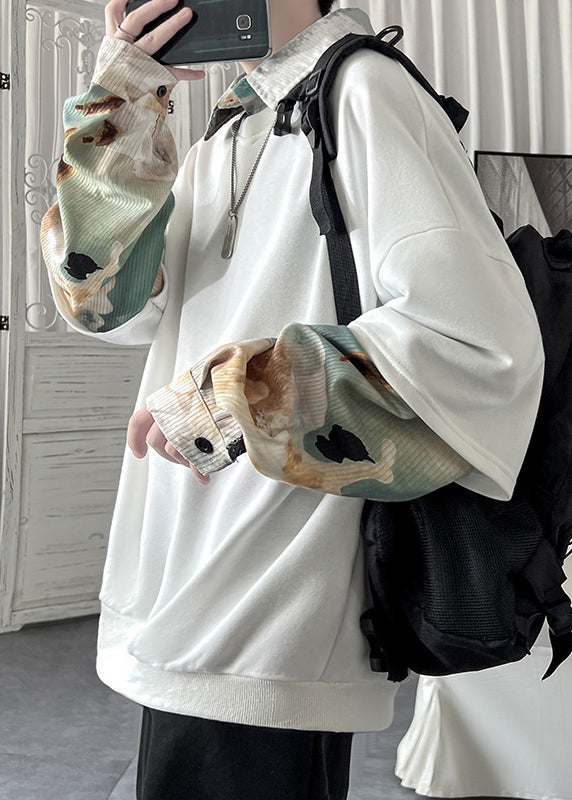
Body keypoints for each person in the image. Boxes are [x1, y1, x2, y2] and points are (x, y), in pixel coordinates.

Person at [40, 0, 544, 797]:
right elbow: (98, 300)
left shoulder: (365, 90)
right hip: (182, 576)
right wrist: (121, 106)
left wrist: (233, 397)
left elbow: (476, 345)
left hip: (276, 598)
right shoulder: (228, 132)